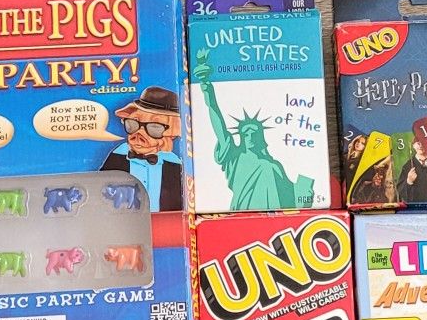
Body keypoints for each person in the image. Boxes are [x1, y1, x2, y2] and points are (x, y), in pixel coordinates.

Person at [193, 52, 312, 210]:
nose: (250, 137)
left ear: (261, 137)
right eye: (246, 134)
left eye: (254, 133)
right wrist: (206, 87)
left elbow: (291, 199)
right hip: (243, 214)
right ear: (241, 137)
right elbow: (218, 124)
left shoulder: (275, 166)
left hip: (276, 221)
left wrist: (304, 191)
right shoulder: (234, 157)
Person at [101, 86, 183, 211]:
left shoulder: (175, 165)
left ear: (172, 132)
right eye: (133, 124)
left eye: (154, 127)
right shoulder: (116, 158)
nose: (139, 134)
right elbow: (102, 197)